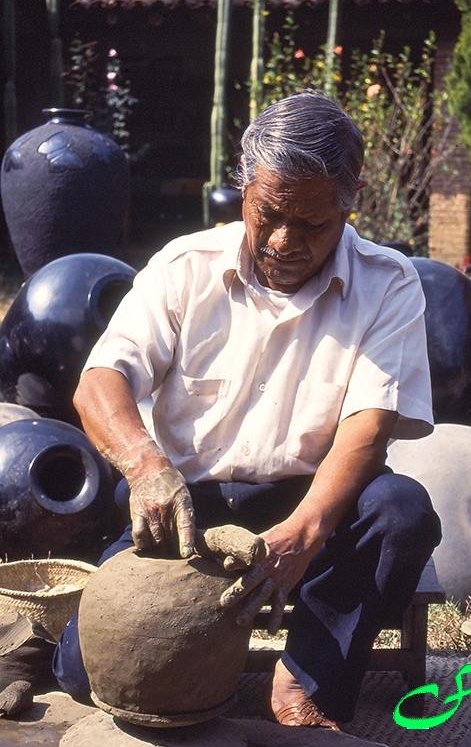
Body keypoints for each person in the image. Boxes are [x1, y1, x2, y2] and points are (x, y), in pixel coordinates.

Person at [53, 91, 441, 729]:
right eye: (270, 215)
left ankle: (303, 681)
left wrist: (307, 531)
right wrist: (146, 465)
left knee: (400, 511)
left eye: (314, 224)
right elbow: (100, 381)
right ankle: (85, 647)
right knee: (82, 669)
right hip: (186, 501)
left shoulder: (388, 282)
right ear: (246, 190)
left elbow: (366, 434)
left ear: (351, 202)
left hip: (318, 500)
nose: (287, 241)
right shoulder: (185, 267)